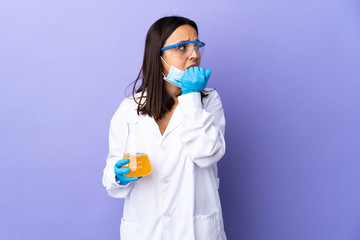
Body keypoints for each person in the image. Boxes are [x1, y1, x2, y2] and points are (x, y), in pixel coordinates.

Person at [102, 16, 226, 240]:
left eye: (197, 46)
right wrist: (118, 175)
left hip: (195, 231)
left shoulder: (209, 101)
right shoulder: (129, 108)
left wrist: (191, 97)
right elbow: (112, 172)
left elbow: (207, 154)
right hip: (145, 230)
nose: (194, 55)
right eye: (182, 47)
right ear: (158, 56)